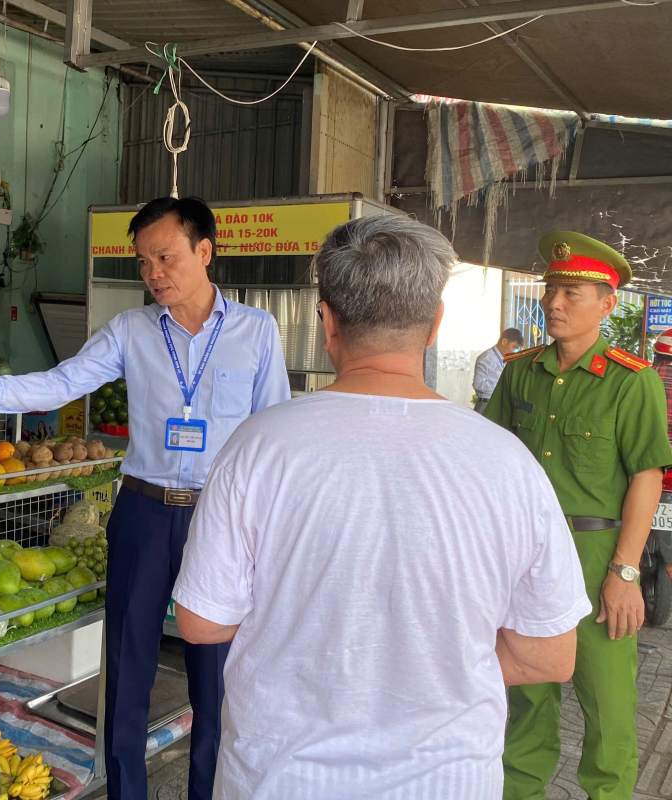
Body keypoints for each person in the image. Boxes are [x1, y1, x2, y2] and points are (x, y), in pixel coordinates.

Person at [173, 214, 590, 799]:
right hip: (449, 781)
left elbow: (201, 620)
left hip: (284, 778)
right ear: (435, 323)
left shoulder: (258, 446)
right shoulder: (509, 462)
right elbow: (550, 655)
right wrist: (425, 660)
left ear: (326, 321)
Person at [0, 196, 290, 799]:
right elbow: (62, 384)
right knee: (129, 667)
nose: (153, 274)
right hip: (142, 513)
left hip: (222, 518)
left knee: (216, 674)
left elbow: (272, 431)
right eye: (142, 263)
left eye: (164, 257)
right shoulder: (131, 331)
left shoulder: (255, 332)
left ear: (204, 251)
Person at [484, 231, 672, 800]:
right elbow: (490, 457)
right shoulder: (520, 372)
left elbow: (646, 477)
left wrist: (626, 572)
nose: (553, 303)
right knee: (527, 695)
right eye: (550, 289)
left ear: (607, 303)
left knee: (608, 704)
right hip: (525, 556)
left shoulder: (631, 381)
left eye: (571, 292)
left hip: (597, 559)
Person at [473, 327, 524, 412]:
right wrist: (502, 388)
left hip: (500, 405)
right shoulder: (486, 358)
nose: (515, 351)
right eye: (514, 347)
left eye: (517, 348)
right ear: (504, 342)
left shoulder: (506, 359)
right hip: (486, 405)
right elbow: (478, 384)